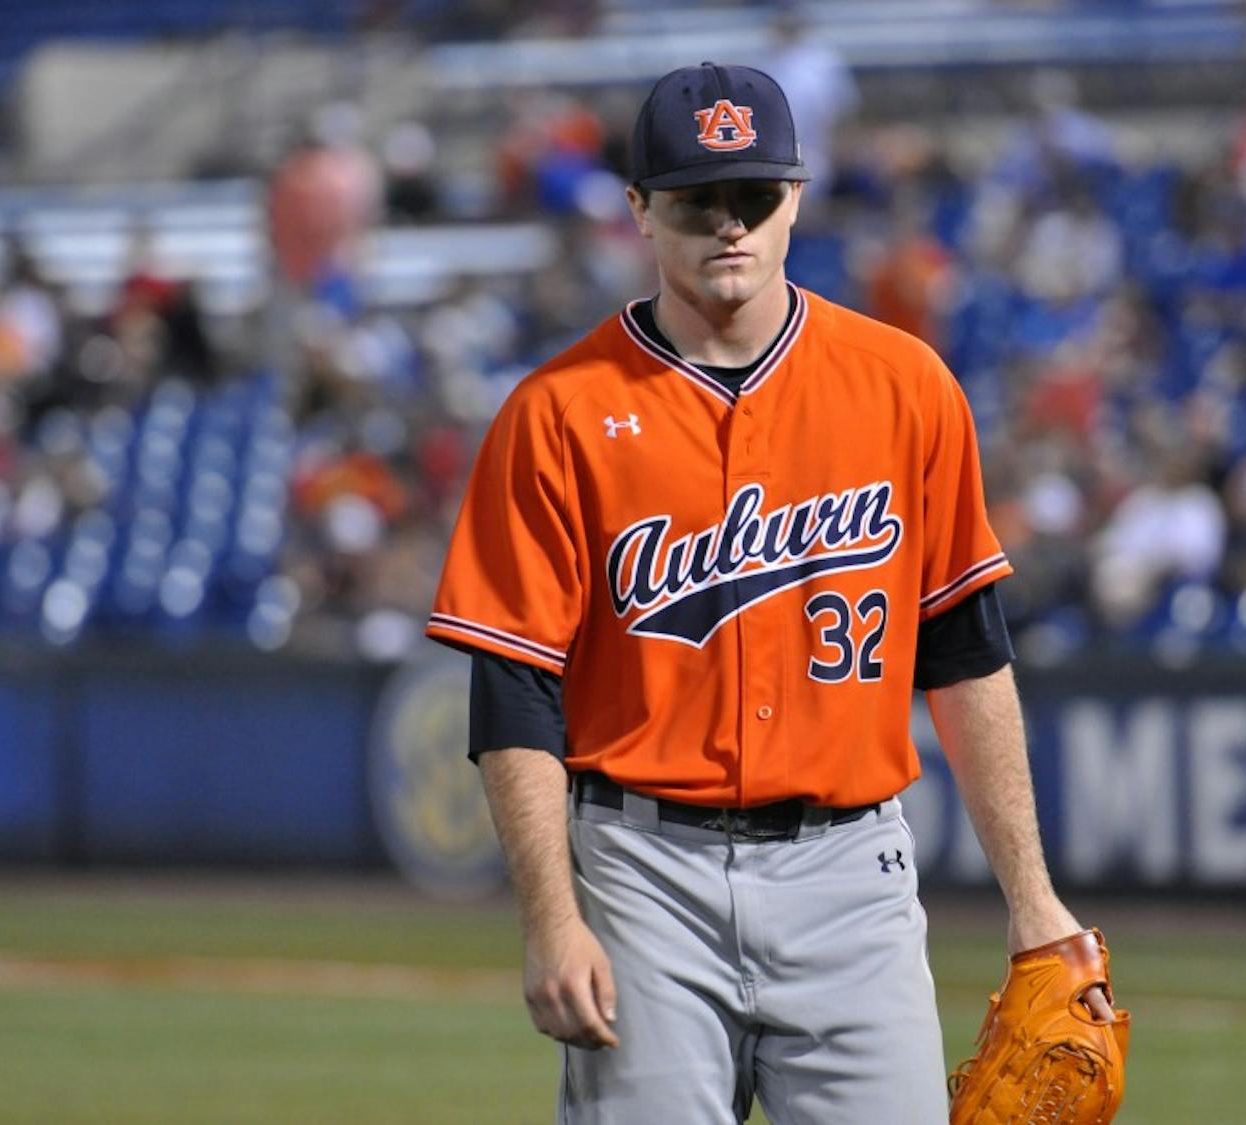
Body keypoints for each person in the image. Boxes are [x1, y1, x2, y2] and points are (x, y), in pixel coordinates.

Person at [426, 63, 1115, 1124]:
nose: (730, 225)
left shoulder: (905, 386)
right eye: (699, 199)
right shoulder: (556, 413)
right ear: (640, 209)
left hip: (853, 873)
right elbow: (514, 687)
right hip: (642, 871)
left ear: (797, 197)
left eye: (755, 196)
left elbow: (968, 653)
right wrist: (550, 919)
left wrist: (1034, 900)